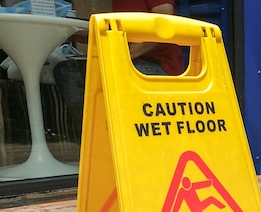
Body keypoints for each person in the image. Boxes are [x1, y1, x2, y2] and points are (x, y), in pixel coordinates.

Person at [53, 0, 185, 136]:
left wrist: (125, 55)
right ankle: (96, 139)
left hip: (158, 65)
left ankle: (127, 139)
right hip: (127, 61)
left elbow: (166, 19)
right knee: (67, 71)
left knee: (111, 74)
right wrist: (69, 31)